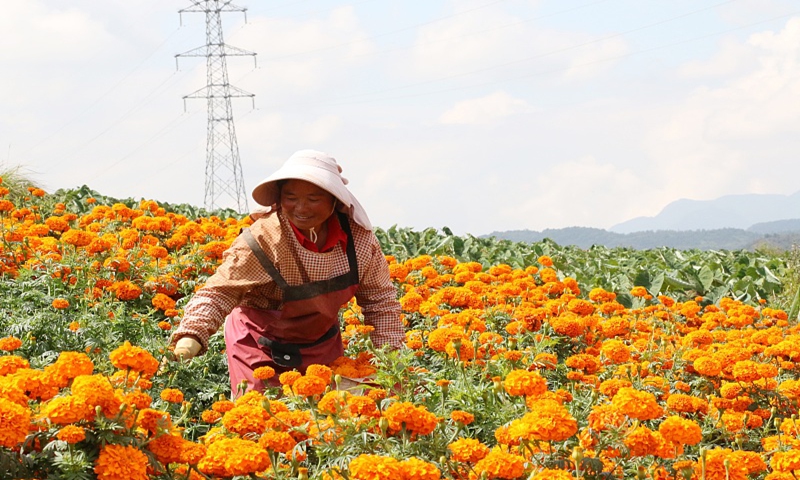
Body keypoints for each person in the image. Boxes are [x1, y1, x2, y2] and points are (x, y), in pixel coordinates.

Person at [169, 150, 404, 393]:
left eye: (313, 199)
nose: (301, 208)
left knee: (326, 421)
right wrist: (191, 335)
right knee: (263, 420)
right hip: (258, 345)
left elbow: (380, 303)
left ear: (335, 201)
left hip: (320, 343)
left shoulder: (359, 242)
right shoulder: (265, 238)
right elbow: (219, 292)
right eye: (290, 197)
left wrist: (392, 361)